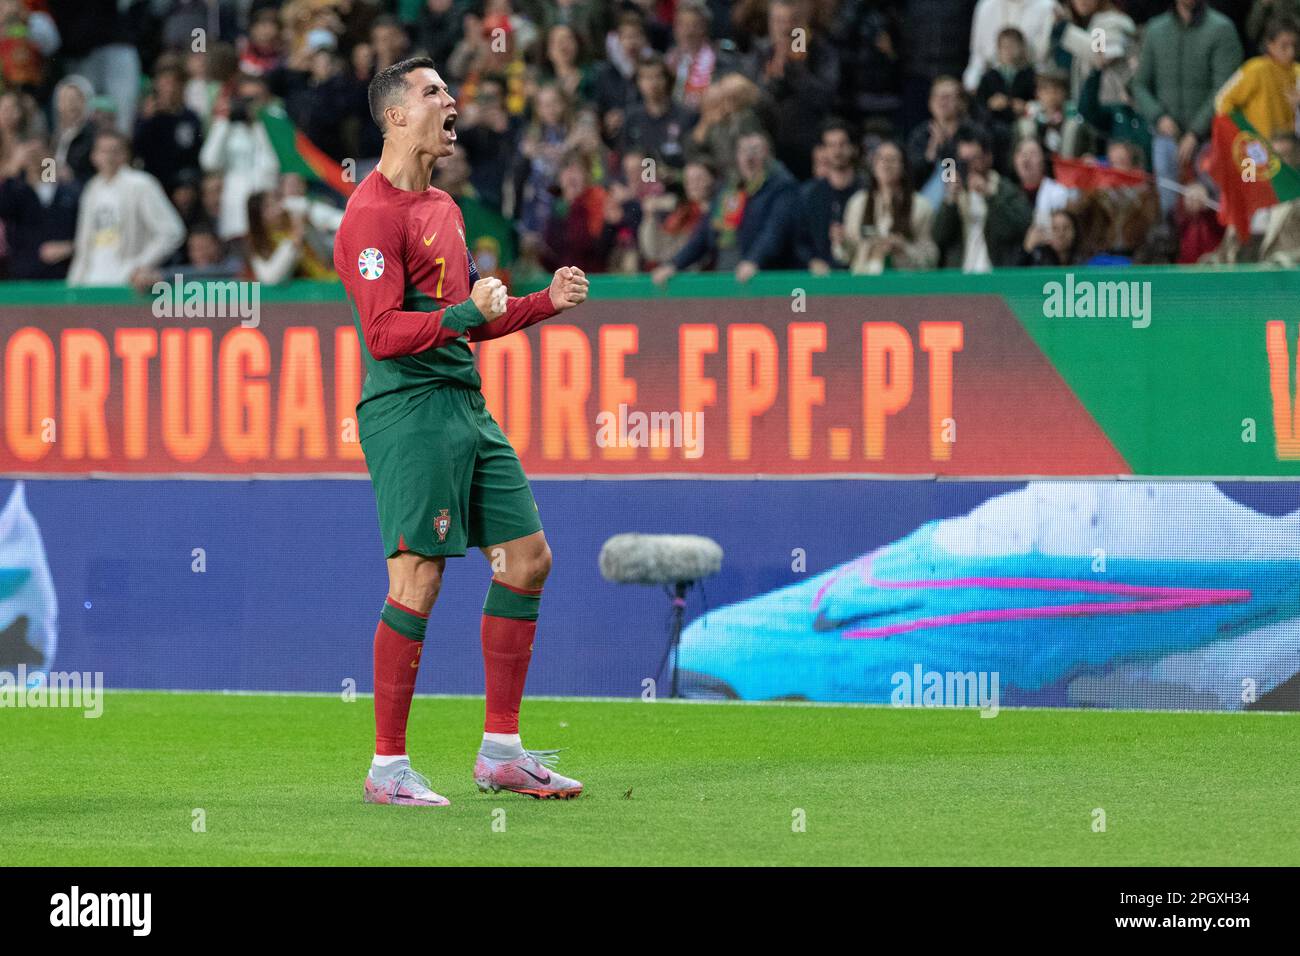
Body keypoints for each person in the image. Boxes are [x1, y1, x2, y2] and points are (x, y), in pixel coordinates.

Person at [333, 56, 590, 807]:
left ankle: (502, 754)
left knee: (528, 559)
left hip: (465, 406)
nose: (452, 101)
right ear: (395, 116)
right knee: (419, 577)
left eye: (449, 89)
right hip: (408, 412)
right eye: (433, 92)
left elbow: (470, 316)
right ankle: (387, 768)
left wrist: (543, 302)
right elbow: (383, 333)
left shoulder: (446, 206)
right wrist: (467, 315)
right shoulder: (370, 215)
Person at [66, 130, 185, 288]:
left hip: (126, 283)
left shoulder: (141, 184)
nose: (108, 157)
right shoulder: (92, 189)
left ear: (125, 155)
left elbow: (172, 232)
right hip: (90, 282)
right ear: (93, 156)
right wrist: (74, 283)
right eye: (103, 151)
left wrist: (140, 265)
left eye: (115, 151)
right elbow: (84, 241)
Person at [836, 139, 939, 273]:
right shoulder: (858, 203)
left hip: (904, 284)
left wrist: (902, 248)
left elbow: (931, 258)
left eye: (892, 160)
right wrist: (841, 242)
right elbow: (847, 256)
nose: (886, 165)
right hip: (863, 283)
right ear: (873, 165)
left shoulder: (920, 206)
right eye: (881, 159)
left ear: (903, 166)